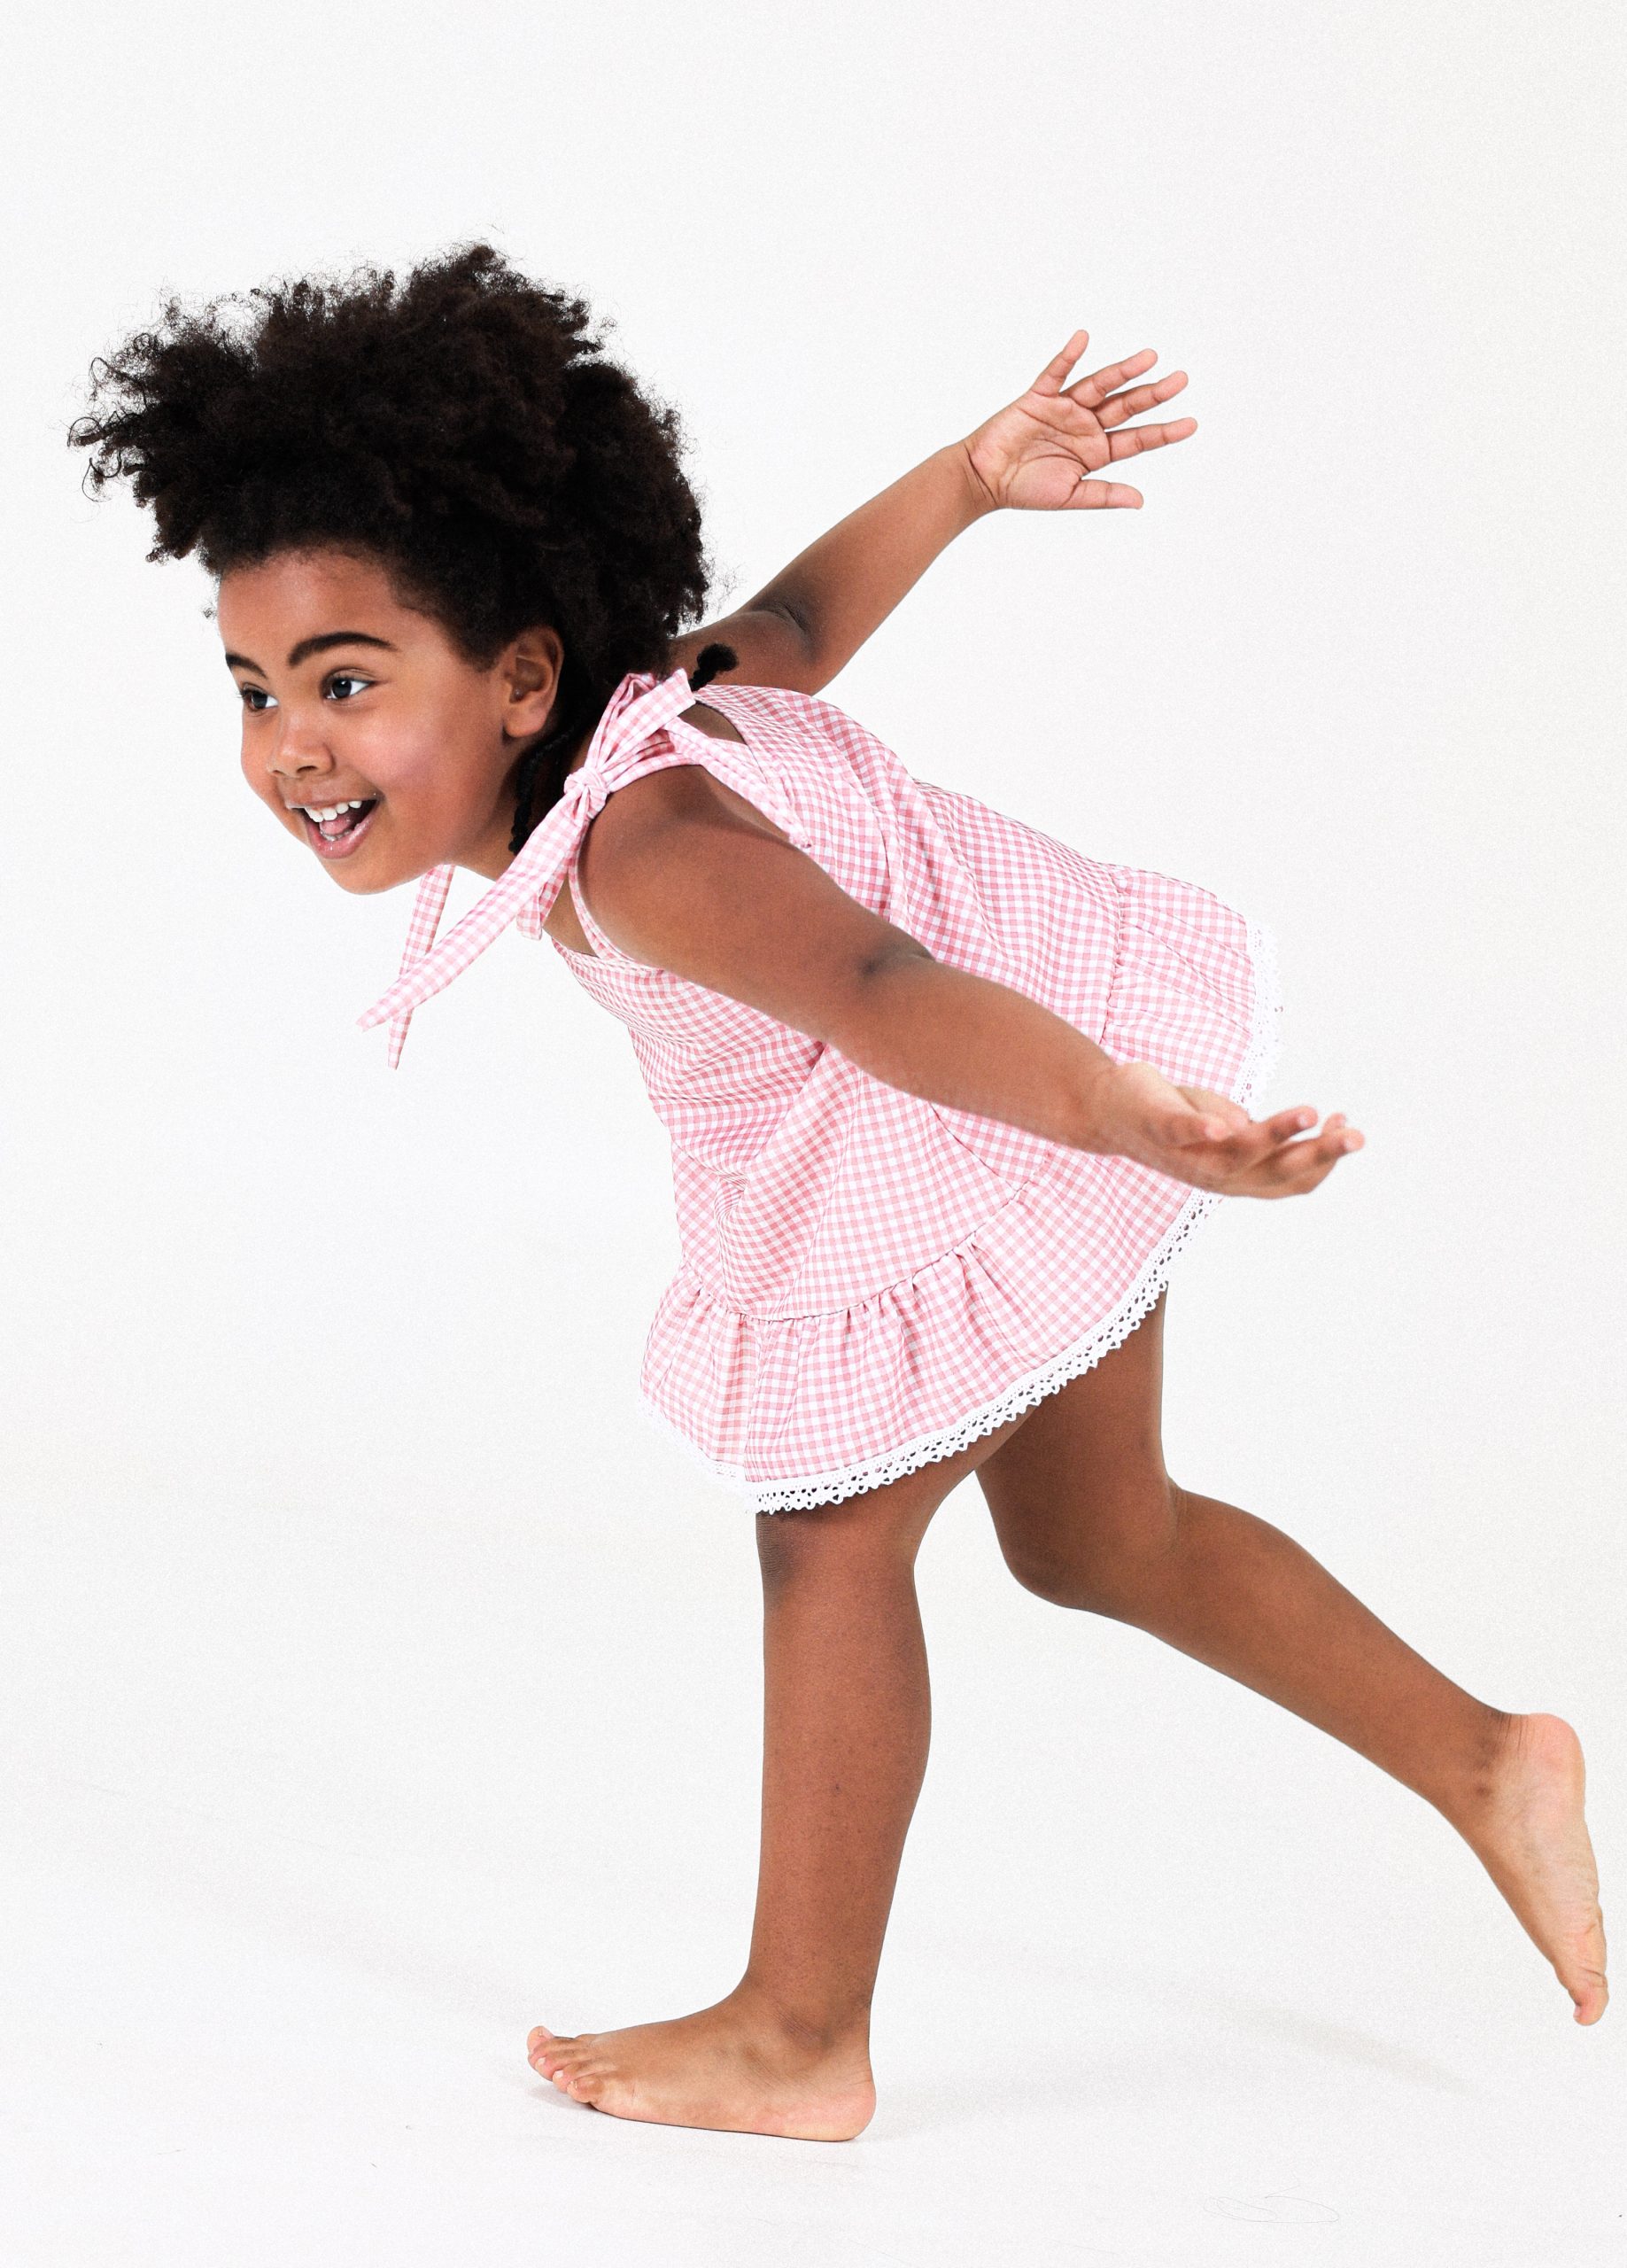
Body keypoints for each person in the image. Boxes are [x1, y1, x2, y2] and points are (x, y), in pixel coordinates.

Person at [69, 240, 1607, 2143]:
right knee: (1099, 1537)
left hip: (968, 1109)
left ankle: (802, 2030)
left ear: (525, 676)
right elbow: (802, 614)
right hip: (1013, 1087)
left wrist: (1115, 1114)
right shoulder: (661, 698)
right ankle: (1486, 1755)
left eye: (348, 680)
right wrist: (964, 477)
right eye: (254, 689)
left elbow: (880, 989)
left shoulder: (643, 852)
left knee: (828, 1539)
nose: (293, 745)